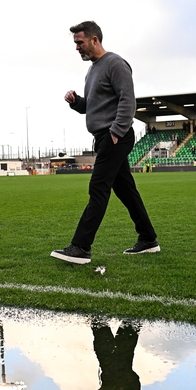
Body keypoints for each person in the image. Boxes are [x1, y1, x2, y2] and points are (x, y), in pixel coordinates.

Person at [51, 21, 158, 265]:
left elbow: (128, 100)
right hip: (104, 138)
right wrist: (76, 101)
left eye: (80, 42)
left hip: (114, 136)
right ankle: (148, 239)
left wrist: (116, 132)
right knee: (126, 191)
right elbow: (92, 107)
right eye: (76, 43)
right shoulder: (92, 70)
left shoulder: (115, 63)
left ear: (94, 40)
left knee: (98, 188)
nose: (77, 47)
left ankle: (80, 247)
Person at [75, 319, 143, 390]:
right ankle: (128, 319)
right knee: (115, 351)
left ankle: (101, 318)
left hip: (110, 389)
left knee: (109, 350)